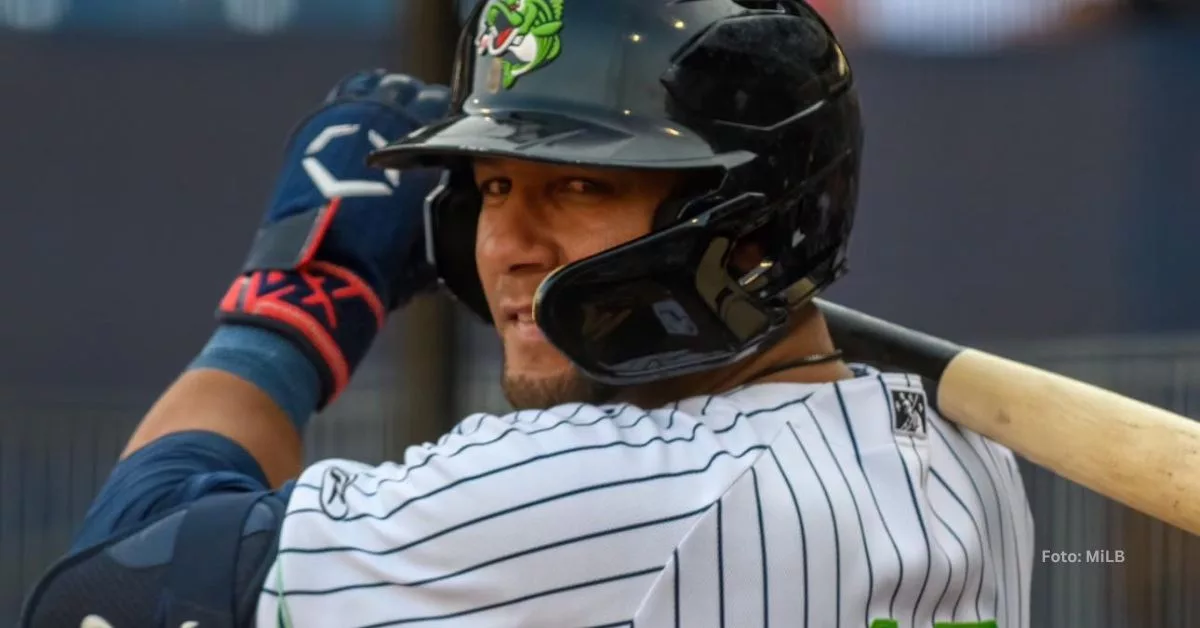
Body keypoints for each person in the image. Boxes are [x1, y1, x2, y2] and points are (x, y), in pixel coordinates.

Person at [20, 0, 1034, 626]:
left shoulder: (606, 494)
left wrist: (296, 305)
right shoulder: (972, 459)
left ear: (751, 224)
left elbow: (103, 600)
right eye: (493, 188)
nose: (505, 245)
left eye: (579, 187)